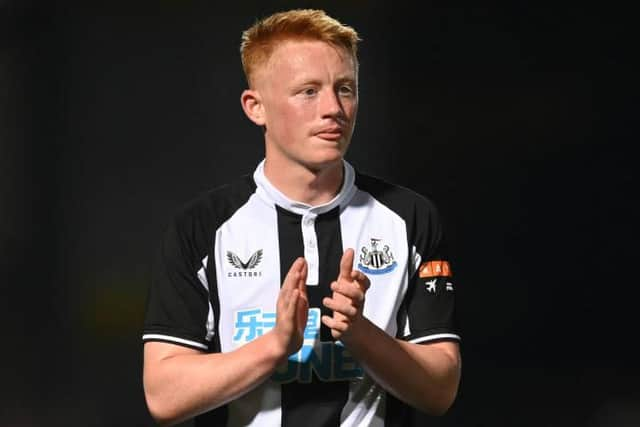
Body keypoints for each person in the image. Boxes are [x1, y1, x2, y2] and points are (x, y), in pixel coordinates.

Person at [142, 9, 461, 427]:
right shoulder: (202, 228)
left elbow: (440, 391)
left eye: (345, 89)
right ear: (256, 107)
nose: (334, 108)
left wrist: (360, 334)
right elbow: (163, 396)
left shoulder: (409, 218)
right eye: (308, 91)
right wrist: (275, 345)